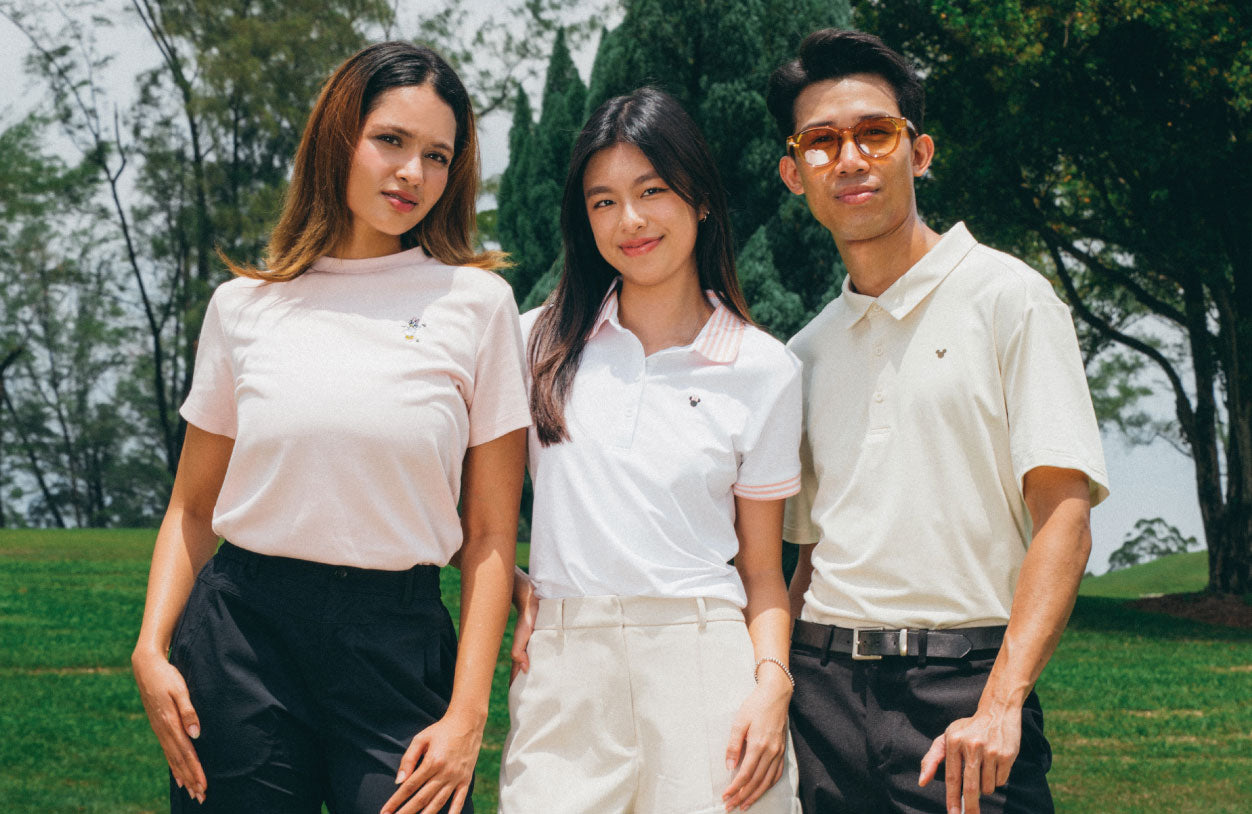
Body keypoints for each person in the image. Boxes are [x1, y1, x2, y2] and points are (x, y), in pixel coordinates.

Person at [130, 41, 529, 814]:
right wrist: (151, 647)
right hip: (242, 637)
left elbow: (488, 533)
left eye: (437, 156)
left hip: (396, 640)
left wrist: (467, 715)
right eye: (391, 141)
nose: (412, 173)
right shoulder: (243, 308)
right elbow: (192, 507)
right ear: (337, 138)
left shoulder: (477, 306)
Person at [766, 29, 1110, 814]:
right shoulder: (803, 353)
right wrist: (776, 683)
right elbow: (810, 554)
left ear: (918, 152)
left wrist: (1001, 704)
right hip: (820, 698)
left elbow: (1065, 518)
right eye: (821, 142)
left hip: (965, 690)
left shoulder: (1010, 300)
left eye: (875, 133)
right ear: (794, 173)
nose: (850, 159)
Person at [498, 87, 803, 814]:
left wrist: (772, 682)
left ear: (701, 199)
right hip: (565, 669)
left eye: (652, 190)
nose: (629, 220)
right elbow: (453, 497)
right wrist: (512, 581)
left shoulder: (765, 368)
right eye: (603, 202)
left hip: (706, 662)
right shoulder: (534, 342)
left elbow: (763, 570)